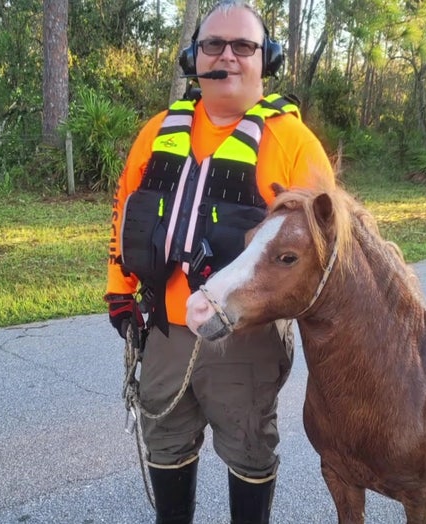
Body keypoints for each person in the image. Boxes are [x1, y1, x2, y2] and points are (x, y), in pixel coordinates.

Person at [104, 1, 335, 522]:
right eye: (213, 45)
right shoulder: (155, 133)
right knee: (164, 441)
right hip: (164, 329)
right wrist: (119, 290)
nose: (227, 56)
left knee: (250, 448)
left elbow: (327, 246)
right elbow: (124, 212)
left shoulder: (294, 143)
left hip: (246, 340)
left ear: (266, 60)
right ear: (194, 57)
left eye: (243, 46)